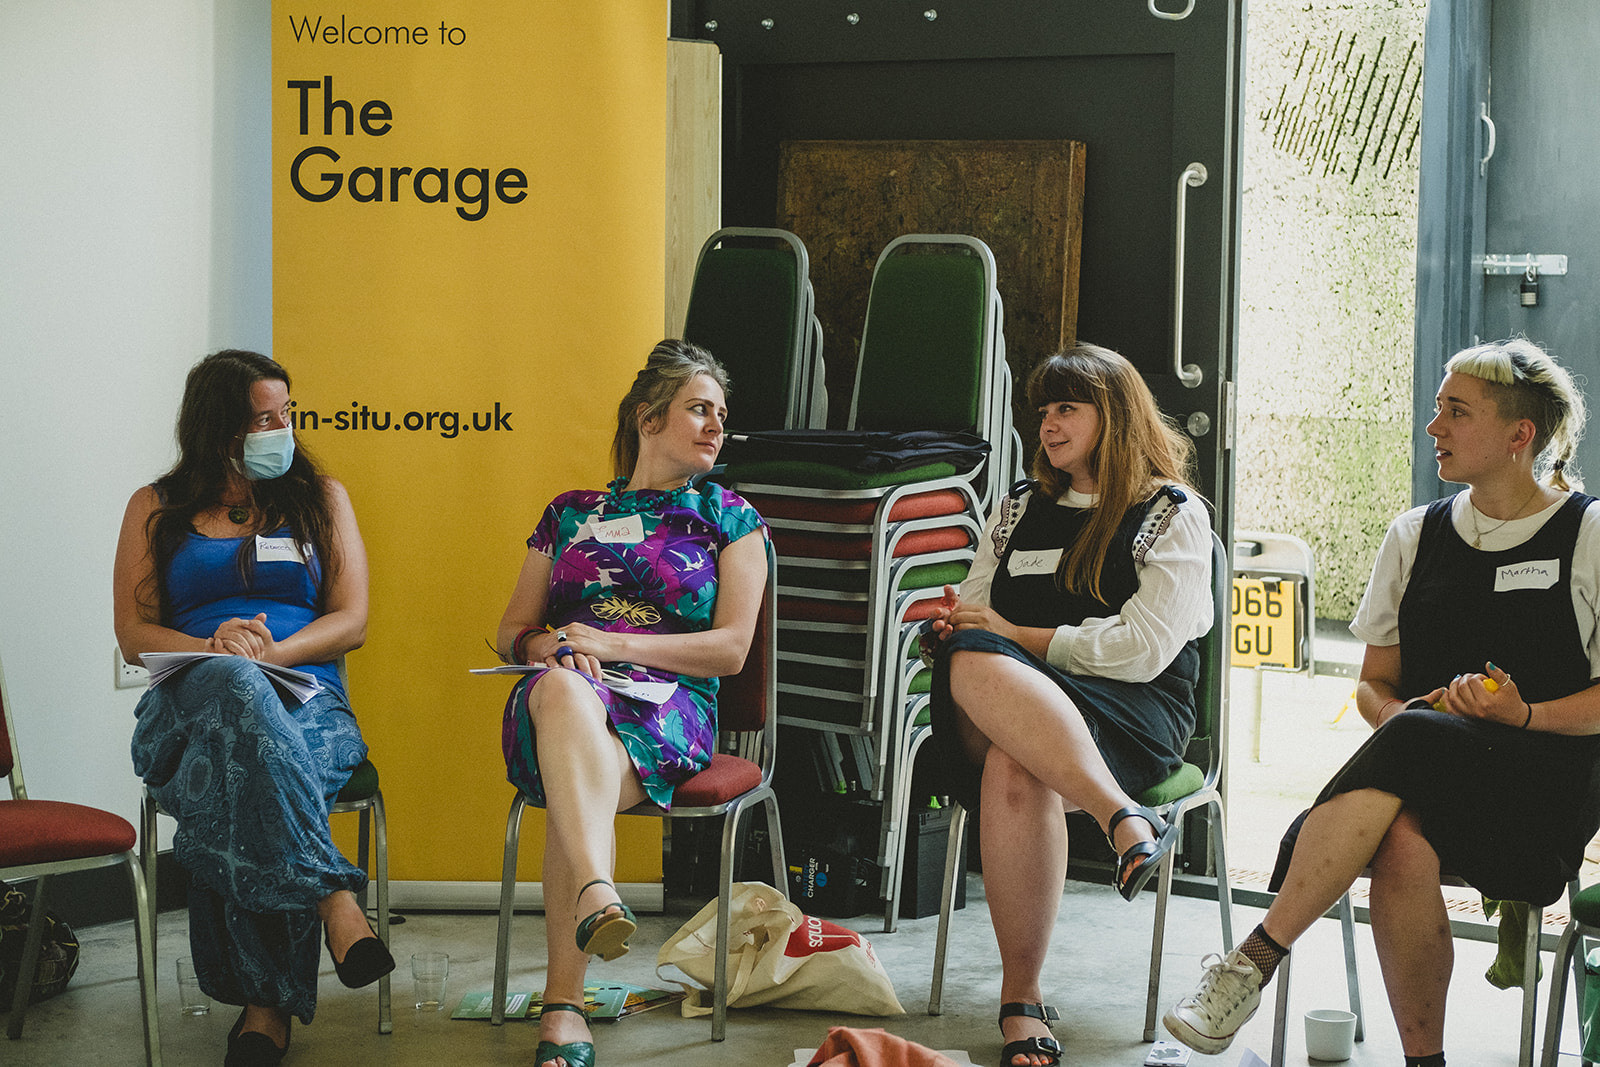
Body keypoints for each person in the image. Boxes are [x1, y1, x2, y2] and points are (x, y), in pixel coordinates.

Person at [1164, 339, 1599, 1067]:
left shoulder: (1589, 534)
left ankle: (1252, 960)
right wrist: (1409, 721)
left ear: (1520, 435)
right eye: (1436, 410)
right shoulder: (1414, 534)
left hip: (1540, 788)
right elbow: (1373, 686)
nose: (1434, 428)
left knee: (1418, 748)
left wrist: (1521, 715)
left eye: (1455, 413)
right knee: (1399, 831)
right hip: (1426, 779)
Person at [922, 343, 1215, 1067]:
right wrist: (956, 626)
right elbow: (978, 605)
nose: (1048, 426)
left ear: (1112, 415)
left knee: (1016, 765)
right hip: (1013, 695)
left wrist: (1019, 637)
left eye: (1067, 409)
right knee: (967, 655)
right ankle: (1124, 819)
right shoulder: (1022, 505)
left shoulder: (1170, 513)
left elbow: (1144, 648)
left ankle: (1021, 1000)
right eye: (1044, 410)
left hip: (1131, 710)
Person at [494, 339, 767, 1067]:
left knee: (570, 779)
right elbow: (511, 629)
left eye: (721, 415)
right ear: (649, 419)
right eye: (699, 410)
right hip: (569, 697)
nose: (717, 427)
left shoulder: (732, 517)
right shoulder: (570, 512)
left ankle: (563, 1005)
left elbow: (731, 649)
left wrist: (617, 649)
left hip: (669, 705)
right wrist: (547, 646)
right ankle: (598, 893)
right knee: (559, 691)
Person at [116, 349, 390, 1066]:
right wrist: (218, 648)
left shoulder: (321, 496)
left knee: (248, 765)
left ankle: (263, 1009)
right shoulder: (155, 507)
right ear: (217, 427)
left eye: (287, 413)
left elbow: (352, 619)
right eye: (263, 417)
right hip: (189, 704)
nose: (282, 428)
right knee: (236, 697)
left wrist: (271, 655)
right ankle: (334, 896)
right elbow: (134, 634)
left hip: (309, 699)